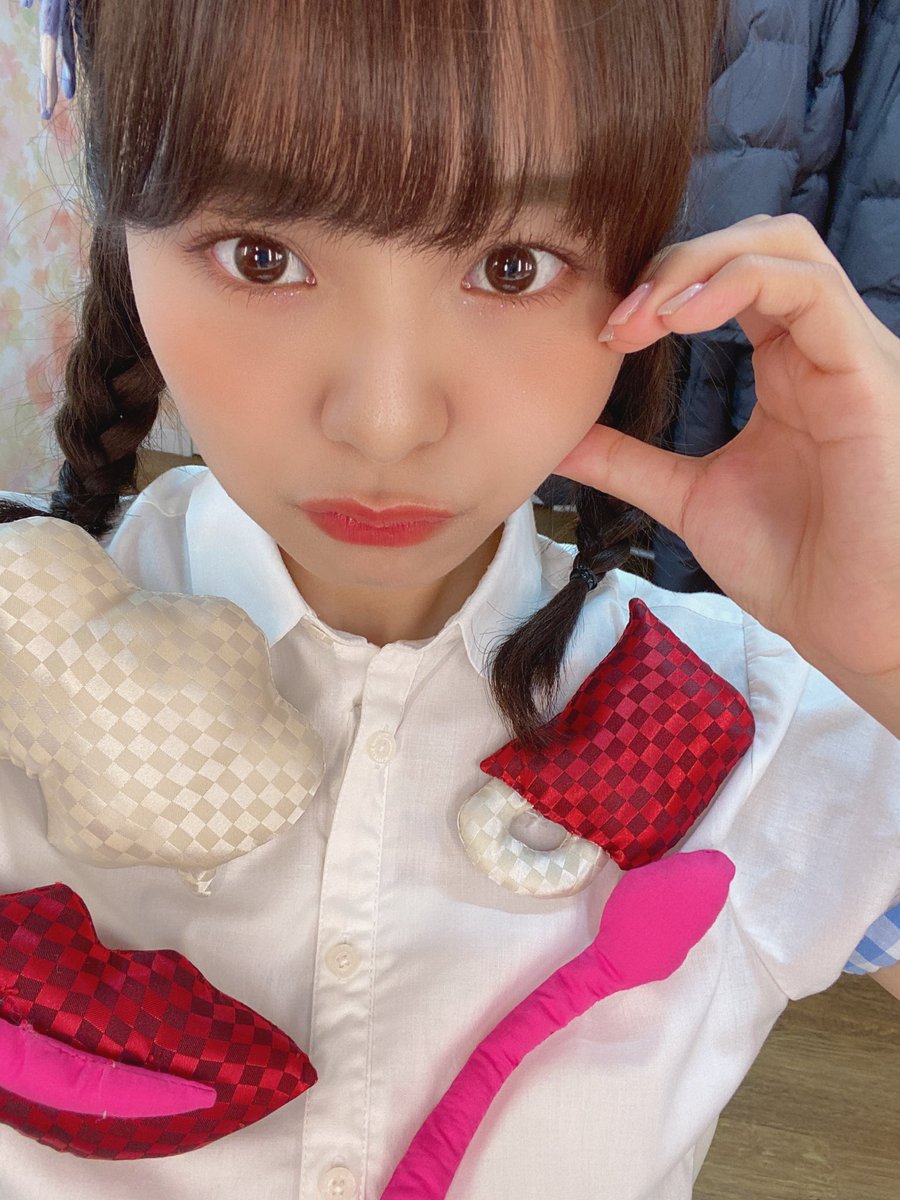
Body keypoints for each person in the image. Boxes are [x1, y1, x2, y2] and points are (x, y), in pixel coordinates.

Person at [0, 1, 898, 1197]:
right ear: (123, 236)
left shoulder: (757, 729)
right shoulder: (21, 658)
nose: (385, 421)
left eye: (511, 266)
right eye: (261, 256)